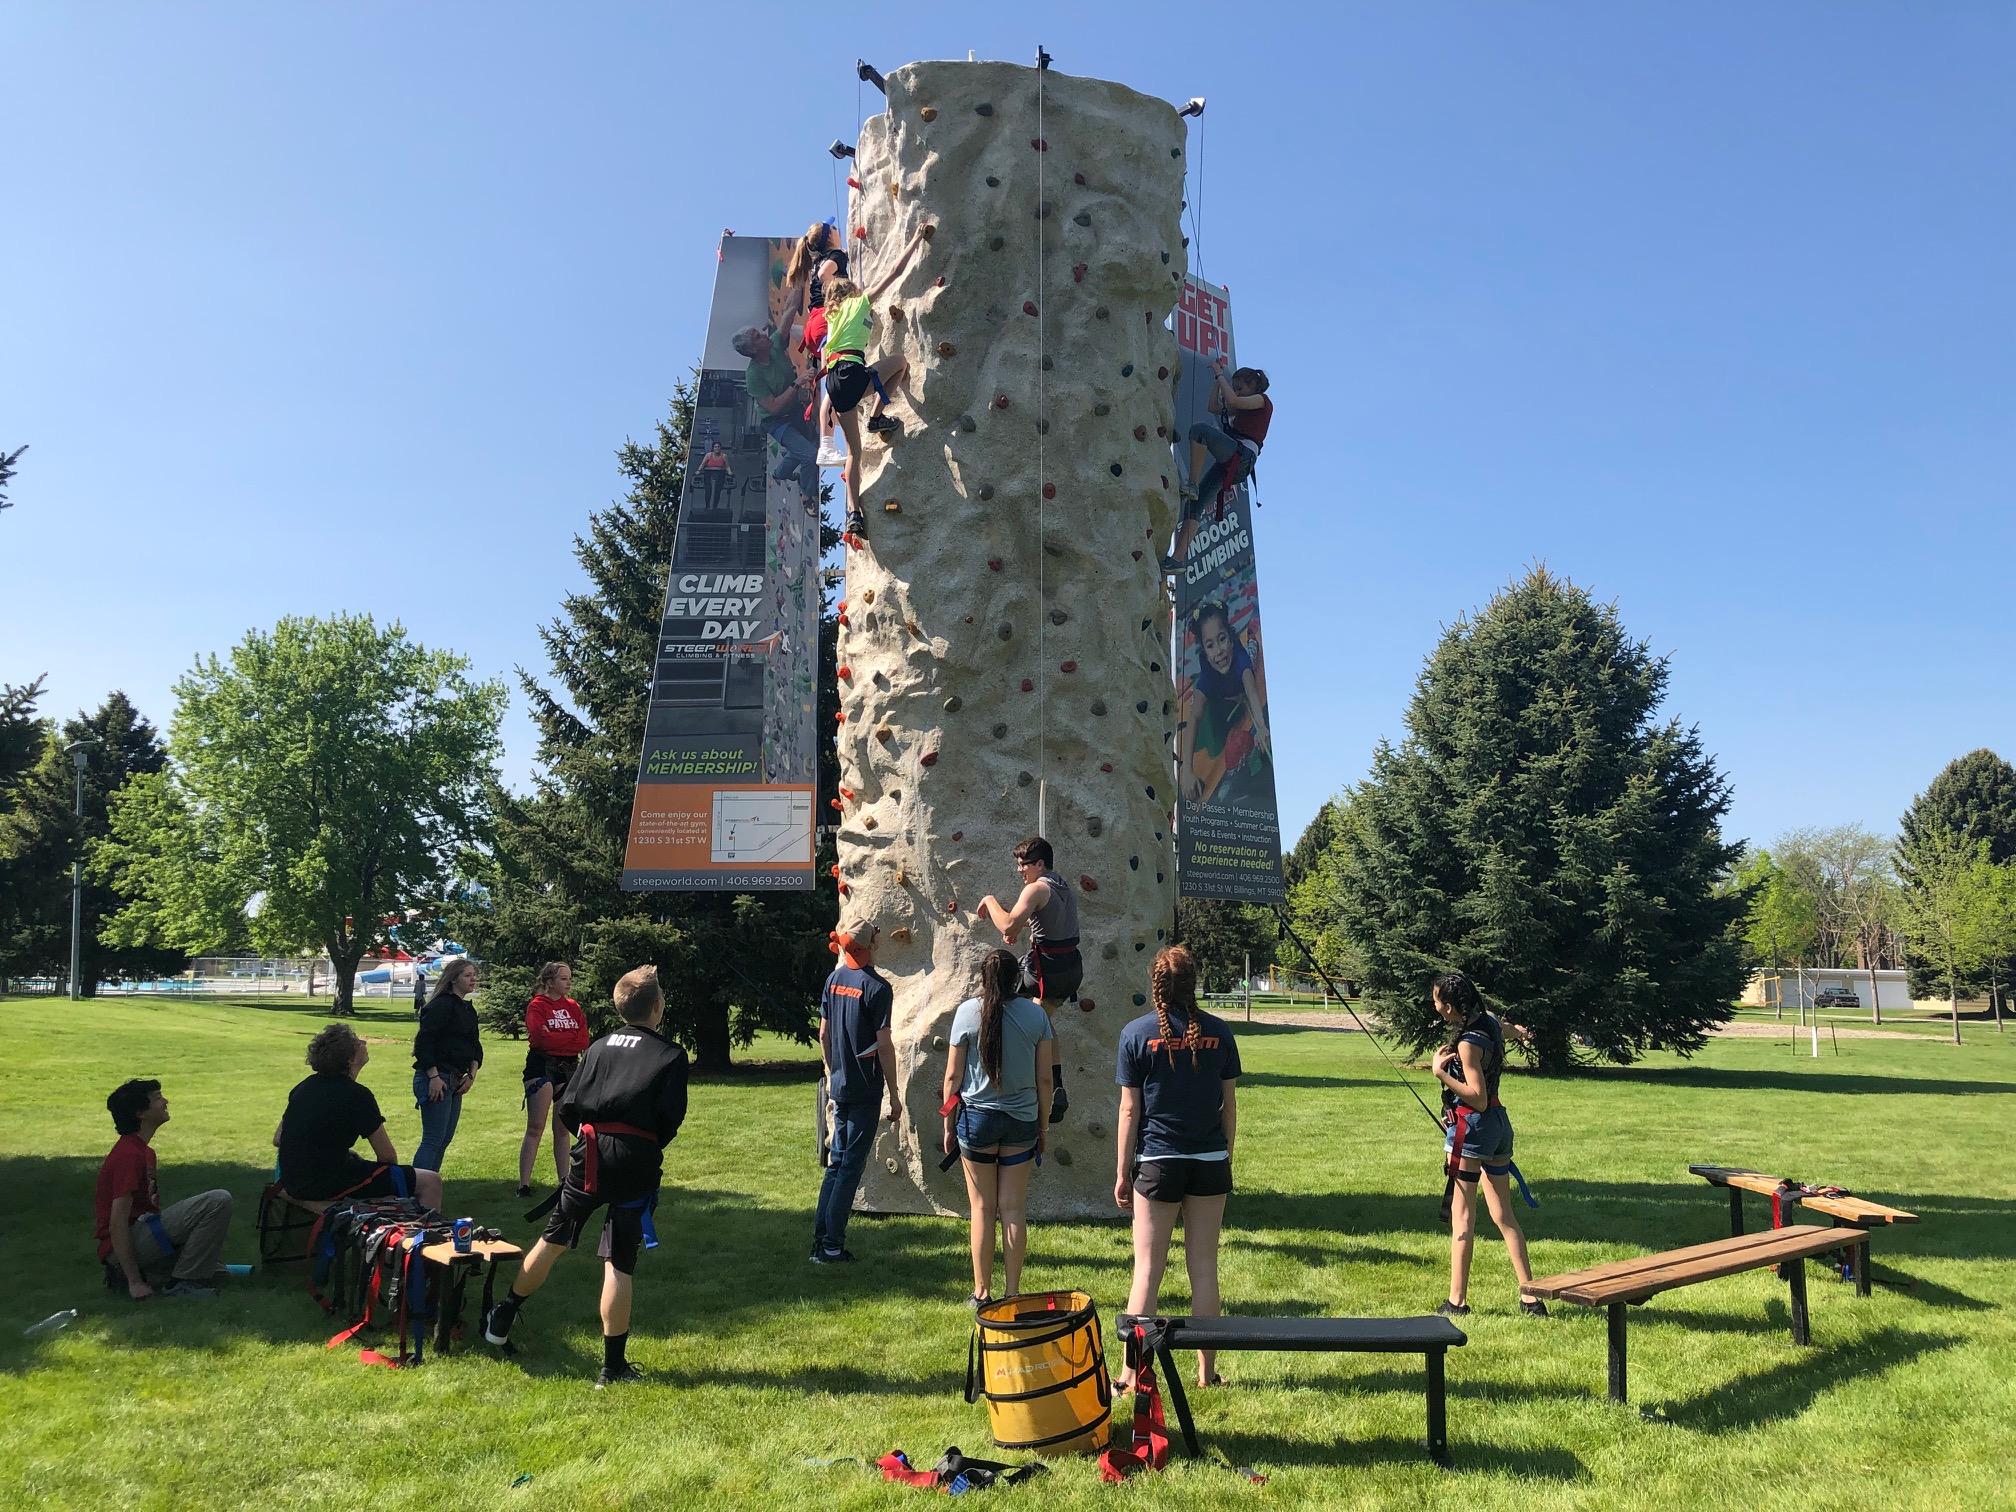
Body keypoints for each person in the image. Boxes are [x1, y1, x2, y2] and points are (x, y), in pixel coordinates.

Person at [483, 965, 690, 1388]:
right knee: (619, 1260)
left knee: (553, 1238)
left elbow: (569, 1106)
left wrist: (590, 1138)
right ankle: (612, 1368)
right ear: (657, 1007)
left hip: (591, 1154)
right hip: (636, 1158)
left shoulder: (597, 1047)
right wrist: (643, 1145)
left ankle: (503, 1314)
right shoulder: (670, 1054)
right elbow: (671, 1119)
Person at [1113, 946, 1239, 1390]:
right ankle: (1207, 1373)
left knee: (1147, 1268)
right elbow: (1229, 1106)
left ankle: (1129, 1374)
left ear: (1156, 985)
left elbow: (1130, 1111)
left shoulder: (1135, 1034)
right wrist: (1225, 1154)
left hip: (1157, 1162)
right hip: (1209, 1162)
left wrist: (1122, 1171)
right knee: (1204, 1267)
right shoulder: (1221, 1034)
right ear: (1193, 984)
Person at [940, 948, 1054, 1305]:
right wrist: (1043, 1127)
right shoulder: (1036, 1016)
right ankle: (1013, 1292)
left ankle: (982, 1292)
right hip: (1022, 1121)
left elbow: (952, 1077)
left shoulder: (966, 1013)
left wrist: (947, 1125)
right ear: (1016, 978)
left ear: (983, 978)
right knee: (1014, 1208)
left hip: (976, 1121)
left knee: (982, 1208)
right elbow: (1045, 1080)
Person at [1428, 972, 1545, 1317]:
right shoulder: (1490, 1021)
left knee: (1462, 1218)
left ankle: (1456, 1303)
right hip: (1498, 1127)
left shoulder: (1467, 1043)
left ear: (1449, 1007)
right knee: (1504, 1216)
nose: (1434, 1005)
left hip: (1474, 1129)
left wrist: (1441, 1073)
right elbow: (1509, 1027)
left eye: (1436, 1000)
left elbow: (1477, 1098)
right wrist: (1522, 1033)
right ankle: (1531, 1298)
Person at [821, 221, 933, 537]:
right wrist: (914, 239)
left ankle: (854, 514)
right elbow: (894, 273)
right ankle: (876, 418)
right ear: (851, 293)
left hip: (835, 381)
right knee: (900, 363)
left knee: (854, 452)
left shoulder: (831, 316)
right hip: (853, 374)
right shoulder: (859, 303)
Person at [275, 1022, 443, 1210]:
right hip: (322, 1184)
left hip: (293, 1180)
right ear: (350, 1060)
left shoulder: (304, 1087)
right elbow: (387, 1156)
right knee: (430, 1181)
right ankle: (428, 1235)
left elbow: (279, 1138)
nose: (363, 1042)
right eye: (357, 1043)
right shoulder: (357, 1095)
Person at [96, 1079, 235, 1300]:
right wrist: (135, 1282)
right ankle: (180, 1285)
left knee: (219, 1273)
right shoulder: (128, 1156)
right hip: (124, 1243)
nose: (165, 1101)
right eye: (158, 1098)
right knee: (218, 1200)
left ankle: (158, 1277)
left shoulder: (145, 1152)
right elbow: (117, 1223)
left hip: (143, 1235)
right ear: (141, 1113)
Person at [812, 919, 901, 1264]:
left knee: (836, 1163)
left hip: (841, 1084)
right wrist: (894, 1093)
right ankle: (832, 1246)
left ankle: (820, 1242)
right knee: (849, 1167)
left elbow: (823, 1033)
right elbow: (884, 1044)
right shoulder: (879, 988)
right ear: (871, 946)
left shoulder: (834, 979)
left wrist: (833, 1070)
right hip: (865, 1089)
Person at [976, 836, 1082, 1122]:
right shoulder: (1061, 884)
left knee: (1005, 1005)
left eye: (1023, 865)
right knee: (1042, 1019)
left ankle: (1023, 1081)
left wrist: (989, 900)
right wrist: (1022, 930)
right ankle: (1057, 1085)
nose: (1019, 870)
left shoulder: (1036, 888)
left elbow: (1009, 922)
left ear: (1039, 864)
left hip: (1046, 973)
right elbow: (1048, 924)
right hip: (1070, 970)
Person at [1166, 358, 1271, 571]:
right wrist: (1218, 380)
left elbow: (1232, 401)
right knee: (1194, 506)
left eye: (1241, 388)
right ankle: (1176, 560)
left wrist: (1218, 374)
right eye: (1236, 389)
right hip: (1234, 461)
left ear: (1254, 386)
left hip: (1241, 457)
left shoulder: (1262, 401)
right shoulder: (1243, 407)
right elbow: (1213, 406)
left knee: (1200, 431)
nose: (1237, 392)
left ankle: (1192, 483)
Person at [1177, 600, 1274, 808]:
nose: (1219, 650)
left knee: (1252, 654)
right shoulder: (1208, 672)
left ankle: (1251, 634)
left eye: (1222, 640)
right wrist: (1187, 769)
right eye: (1210, 645)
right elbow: (1194, 716)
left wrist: (1262, 727)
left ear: (1230, 639)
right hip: (1220, 690)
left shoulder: (1239, 662)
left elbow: (1250, 691)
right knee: (1201, 701)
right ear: (1203, 650)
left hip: (1240, 673)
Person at [519, 961, 591, 1198]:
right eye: (563, 978)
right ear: (550, 982)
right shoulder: (537, 1005)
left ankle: (564, 1180)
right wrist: (566, 1038)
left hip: (569, 1068)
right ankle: (524, 1184)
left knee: (563, 1128)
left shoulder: (573, 1006)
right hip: (542, 1067)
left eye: (569, 978)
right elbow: (541, 1038)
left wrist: (560, 1037)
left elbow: (583, 1040)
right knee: (535, 1127)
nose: (569, 982)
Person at [731, 319, 821, 502]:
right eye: (758, 336)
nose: (764, 334)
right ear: (753, 350)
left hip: (793, 409)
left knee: (807, 445)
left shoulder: (773, 344)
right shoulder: (753, 376)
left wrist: (795, 289)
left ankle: (780, 472)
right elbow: (773, 407)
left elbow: (788, 313)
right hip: (776, 421)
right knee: (810, 455)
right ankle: (808, 495)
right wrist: (798, 382)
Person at [783, 220, 850, 468]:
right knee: (834, 384)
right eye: (834, 229)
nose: (838, 230)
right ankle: (827, 446)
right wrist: (840, 294)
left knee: (832, 381)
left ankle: (830, 442)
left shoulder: (818, 261)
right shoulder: (836, 256)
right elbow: (825, 276)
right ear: (830, 238)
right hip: (826, 318)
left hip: (815, 322)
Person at [413, 957, 482, 1176]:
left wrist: (471, 1074)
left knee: (444, 1139)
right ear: (453, 979)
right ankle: (416, 1188)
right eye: (467, 975)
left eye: (473, 975)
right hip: (436, 1077)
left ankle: (429, 1185)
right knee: (433, 1139)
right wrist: (433, 1077)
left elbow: (475, 1046)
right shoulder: (440, 1006)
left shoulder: (467, 1009)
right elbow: (424, 1043)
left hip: (455, 1078)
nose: (473, 979)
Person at [696, 441, 736, 510]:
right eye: (715, 447)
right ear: (713, 448)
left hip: (720, 473)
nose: (717, 448)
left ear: (720, 448)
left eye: (718, 447)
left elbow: (727, 466)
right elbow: (703, 464)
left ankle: (715, 506)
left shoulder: (724, 456)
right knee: (708, 489)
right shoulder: (708, 455)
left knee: (718, 490)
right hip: (709, 472)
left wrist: (729, 472)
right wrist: (698, 470)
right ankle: (707, 506)